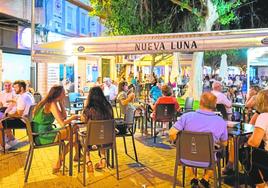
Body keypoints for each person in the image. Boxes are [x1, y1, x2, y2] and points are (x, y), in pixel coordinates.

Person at [169, 92, 228, 188]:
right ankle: (206, 178)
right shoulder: (220, 121)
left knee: (186, 148)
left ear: (200, 102)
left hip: (185, 158)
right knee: (217, 152)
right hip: (209, 161)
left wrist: (177, 143)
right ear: (215, 105)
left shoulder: (186, 117)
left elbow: (171, 133)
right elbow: (224, 143)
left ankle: (193, 178)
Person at [32, 85, 79, 173]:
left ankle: (76, 155)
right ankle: (60, 161)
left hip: (41, 133)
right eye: (64, 93)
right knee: (75, 134)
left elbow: (64, 116)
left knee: (74, 131)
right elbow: (62, 123)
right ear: (58, 94)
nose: (65, 94)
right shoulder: (51, 104)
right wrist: (73, 117)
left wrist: (61, 103)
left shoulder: (48, 102)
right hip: (43, 136)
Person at [81, 86, 114, 172]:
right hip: (108, 140)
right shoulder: (108, 107)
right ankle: (103, 159)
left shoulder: (89, 109)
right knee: (101, 133)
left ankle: (88, 162)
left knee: (82, 136)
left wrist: (84, 108)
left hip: (91, 142)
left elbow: (83, 120)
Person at [0, 80, 35, 150]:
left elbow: (18, 114)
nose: (14, 89)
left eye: (15, 87)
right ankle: (11, 139)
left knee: (1, 121)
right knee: (3, 117)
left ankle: (2, 145)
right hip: (28, 120)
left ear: (21, 88)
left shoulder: (22, 98)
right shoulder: (29, 95)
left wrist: (7, 115)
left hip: (22, 121)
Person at [248, 89, 268, 188]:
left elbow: (254, 142)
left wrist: (248, 140)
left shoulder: (263, 116)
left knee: (245, 154)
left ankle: (261, 184)